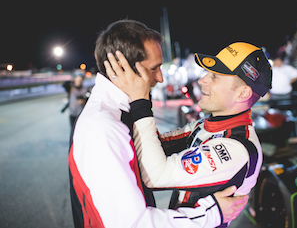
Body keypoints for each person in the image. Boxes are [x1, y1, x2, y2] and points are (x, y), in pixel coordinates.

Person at [69, 20, 248, 228]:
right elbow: (134, 223)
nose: (161, 78)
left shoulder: (116, 113)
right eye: (154, 69)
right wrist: (213, 213)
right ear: (122, 68)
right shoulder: (102, 128)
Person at [105, 42, 272, 227]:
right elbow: (153, 145)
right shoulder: (206, 125)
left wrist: (140, 102)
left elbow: (154, 175)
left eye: (215, 76)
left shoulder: (237, 148)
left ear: (242, 93)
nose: (202, 80)